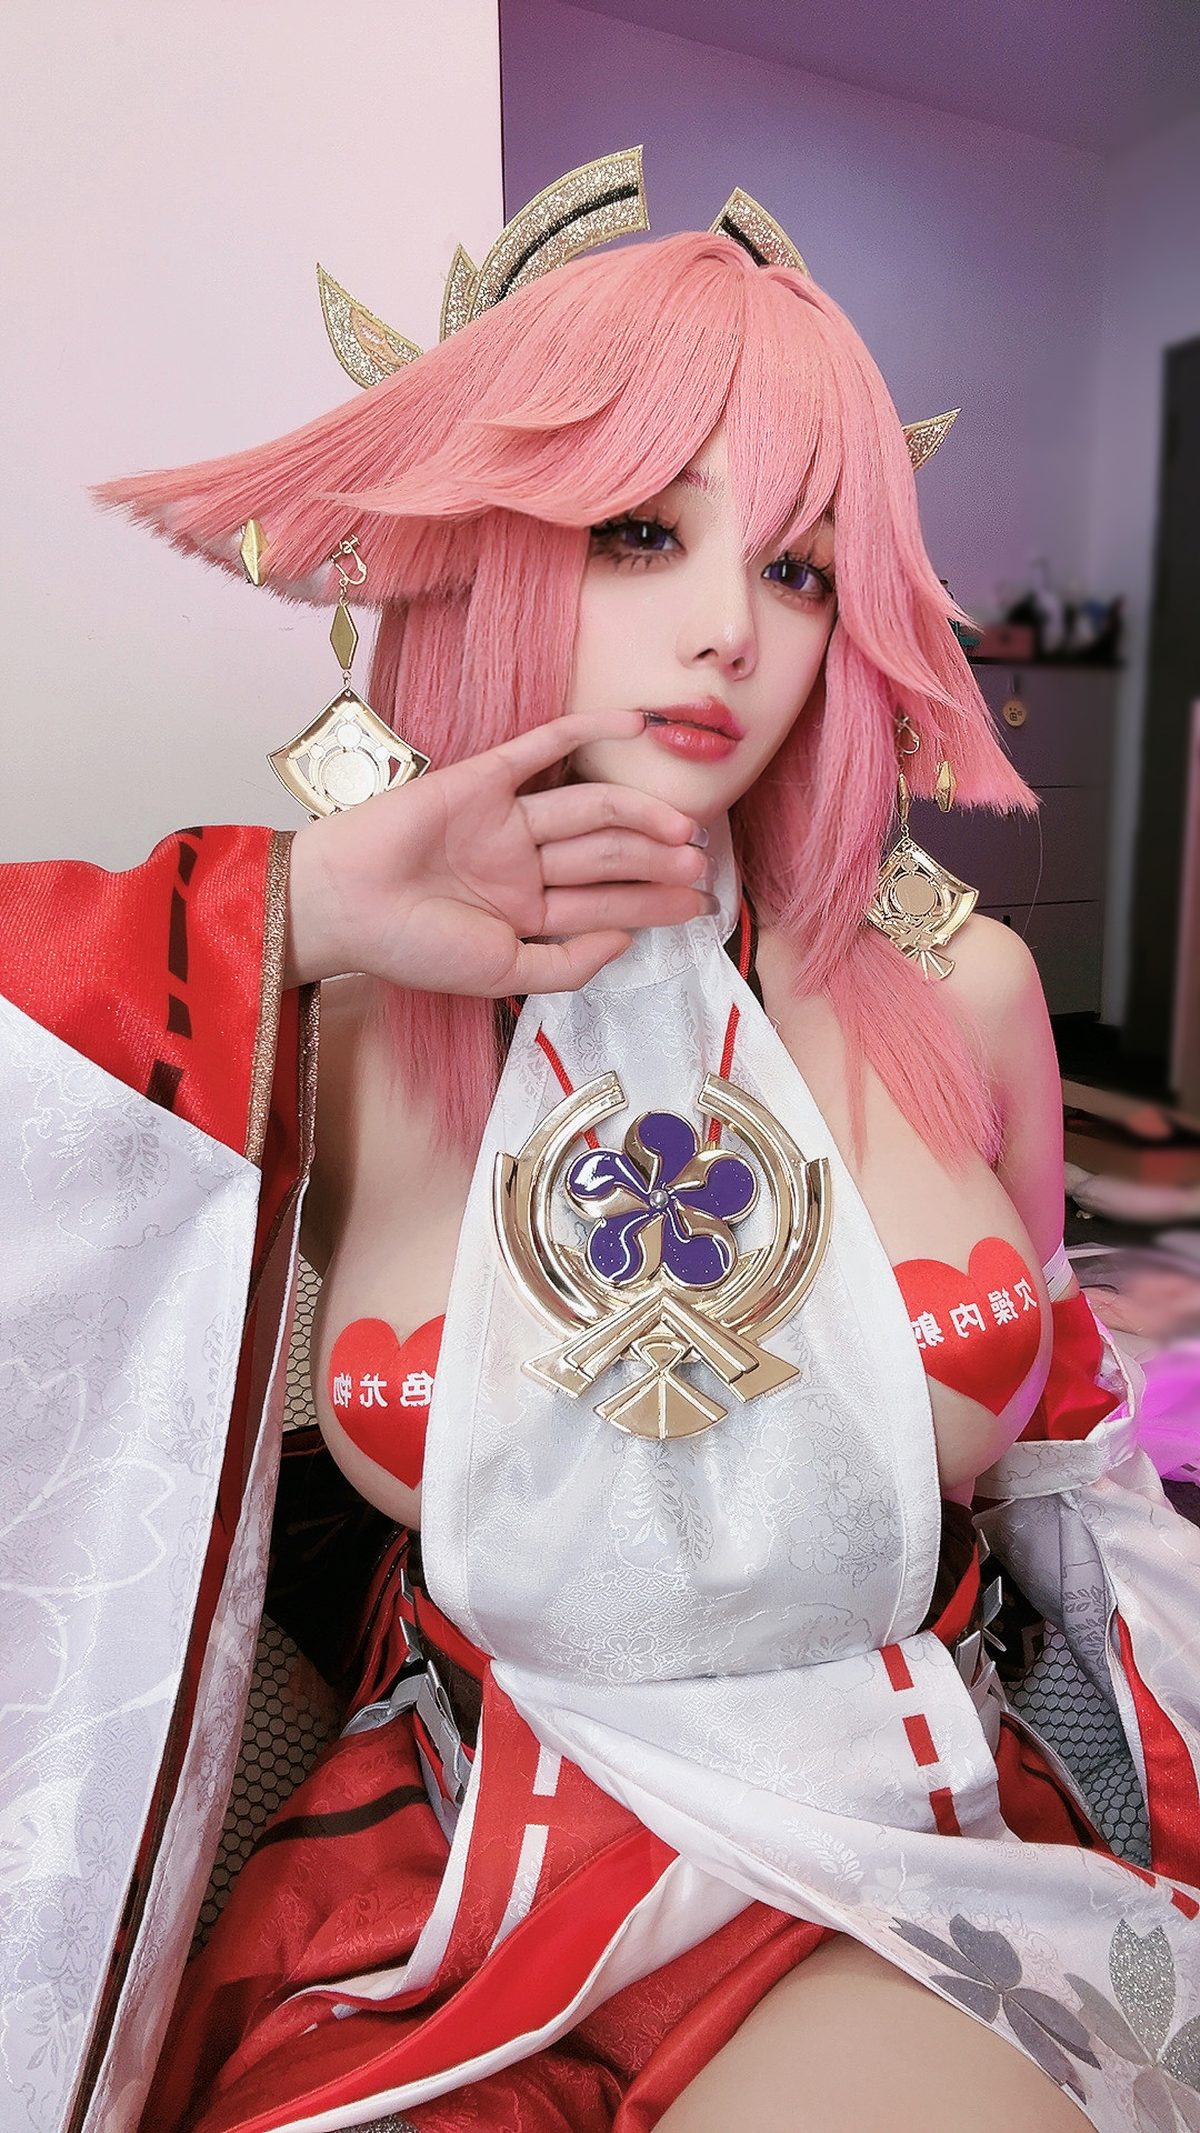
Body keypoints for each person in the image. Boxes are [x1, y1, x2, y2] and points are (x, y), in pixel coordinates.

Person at [7, 153, 1200, 2133]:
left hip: (876, 1848)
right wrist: (299, 906)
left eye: (801, 566)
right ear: (491, 555)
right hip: (455, 1868)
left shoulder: (971, 990)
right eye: (643, 529)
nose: (730, 629)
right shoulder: (333, 1024)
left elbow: (1076, 1469)